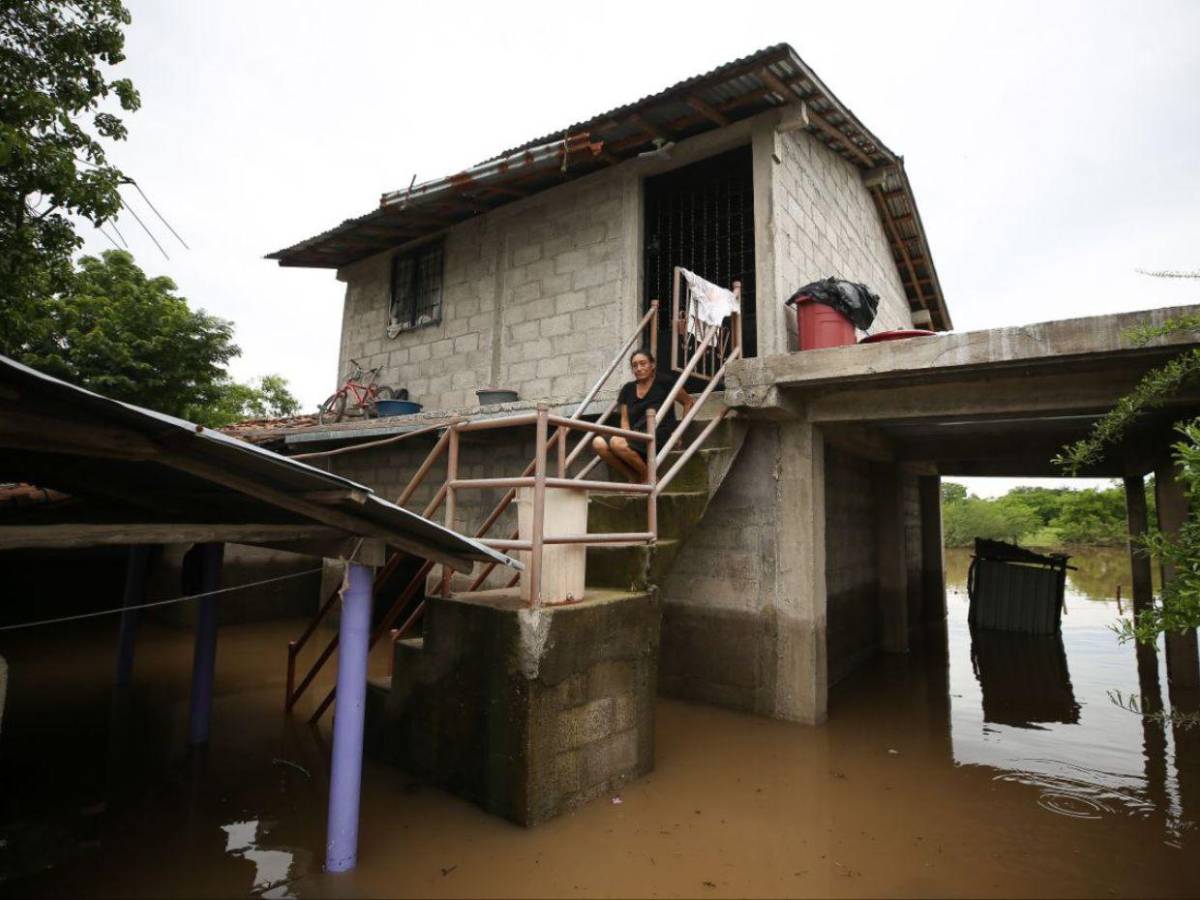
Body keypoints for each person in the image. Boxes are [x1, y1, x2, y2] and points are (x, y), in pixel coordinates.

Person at [593, 349, 693, 483]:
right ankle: (632, 476)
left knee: (616, 442)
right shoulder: (627, 389)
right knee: (598, 443)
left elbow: (688, 402)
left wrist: (679, 432)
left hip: (658, 433)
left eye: (643, 363)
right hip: (636, 434)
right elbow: (625, 420)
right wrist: (626, 437)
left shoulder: (665, 382)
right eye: (635, 365)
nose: (639, 368)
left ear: (652, 365)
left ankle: (649, 476)